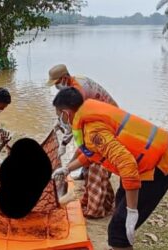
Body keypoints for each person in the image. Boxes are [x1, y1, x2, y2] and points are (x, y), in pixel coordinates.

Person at [51, 87, 168, 249]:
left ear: (66, 113)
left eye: (59, 116)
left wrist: (132, 212)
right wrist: (68, 169)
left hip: (155, 172)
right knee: (119, 204)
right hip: (148, 165)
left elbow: (127, 165)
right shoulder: (88, 117)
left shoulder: (93, 130)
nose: (60, 121)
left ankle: (121, 242)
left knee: (118, 231)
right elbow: (93, 154)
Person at [48, 64, 118, 218]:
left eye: (56, 83)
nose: (56, 87)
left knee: (97, 164)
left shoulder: (80, 99)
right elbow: (82, 144)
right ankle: (102, 201)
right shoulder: (73, 89)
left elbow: (86, 147)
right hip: (102, 121)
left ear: (64, 78)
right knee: (89, 158)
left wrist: (68, 167)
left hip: (108, 122)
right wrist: (68, 162)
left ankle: (96, 210)